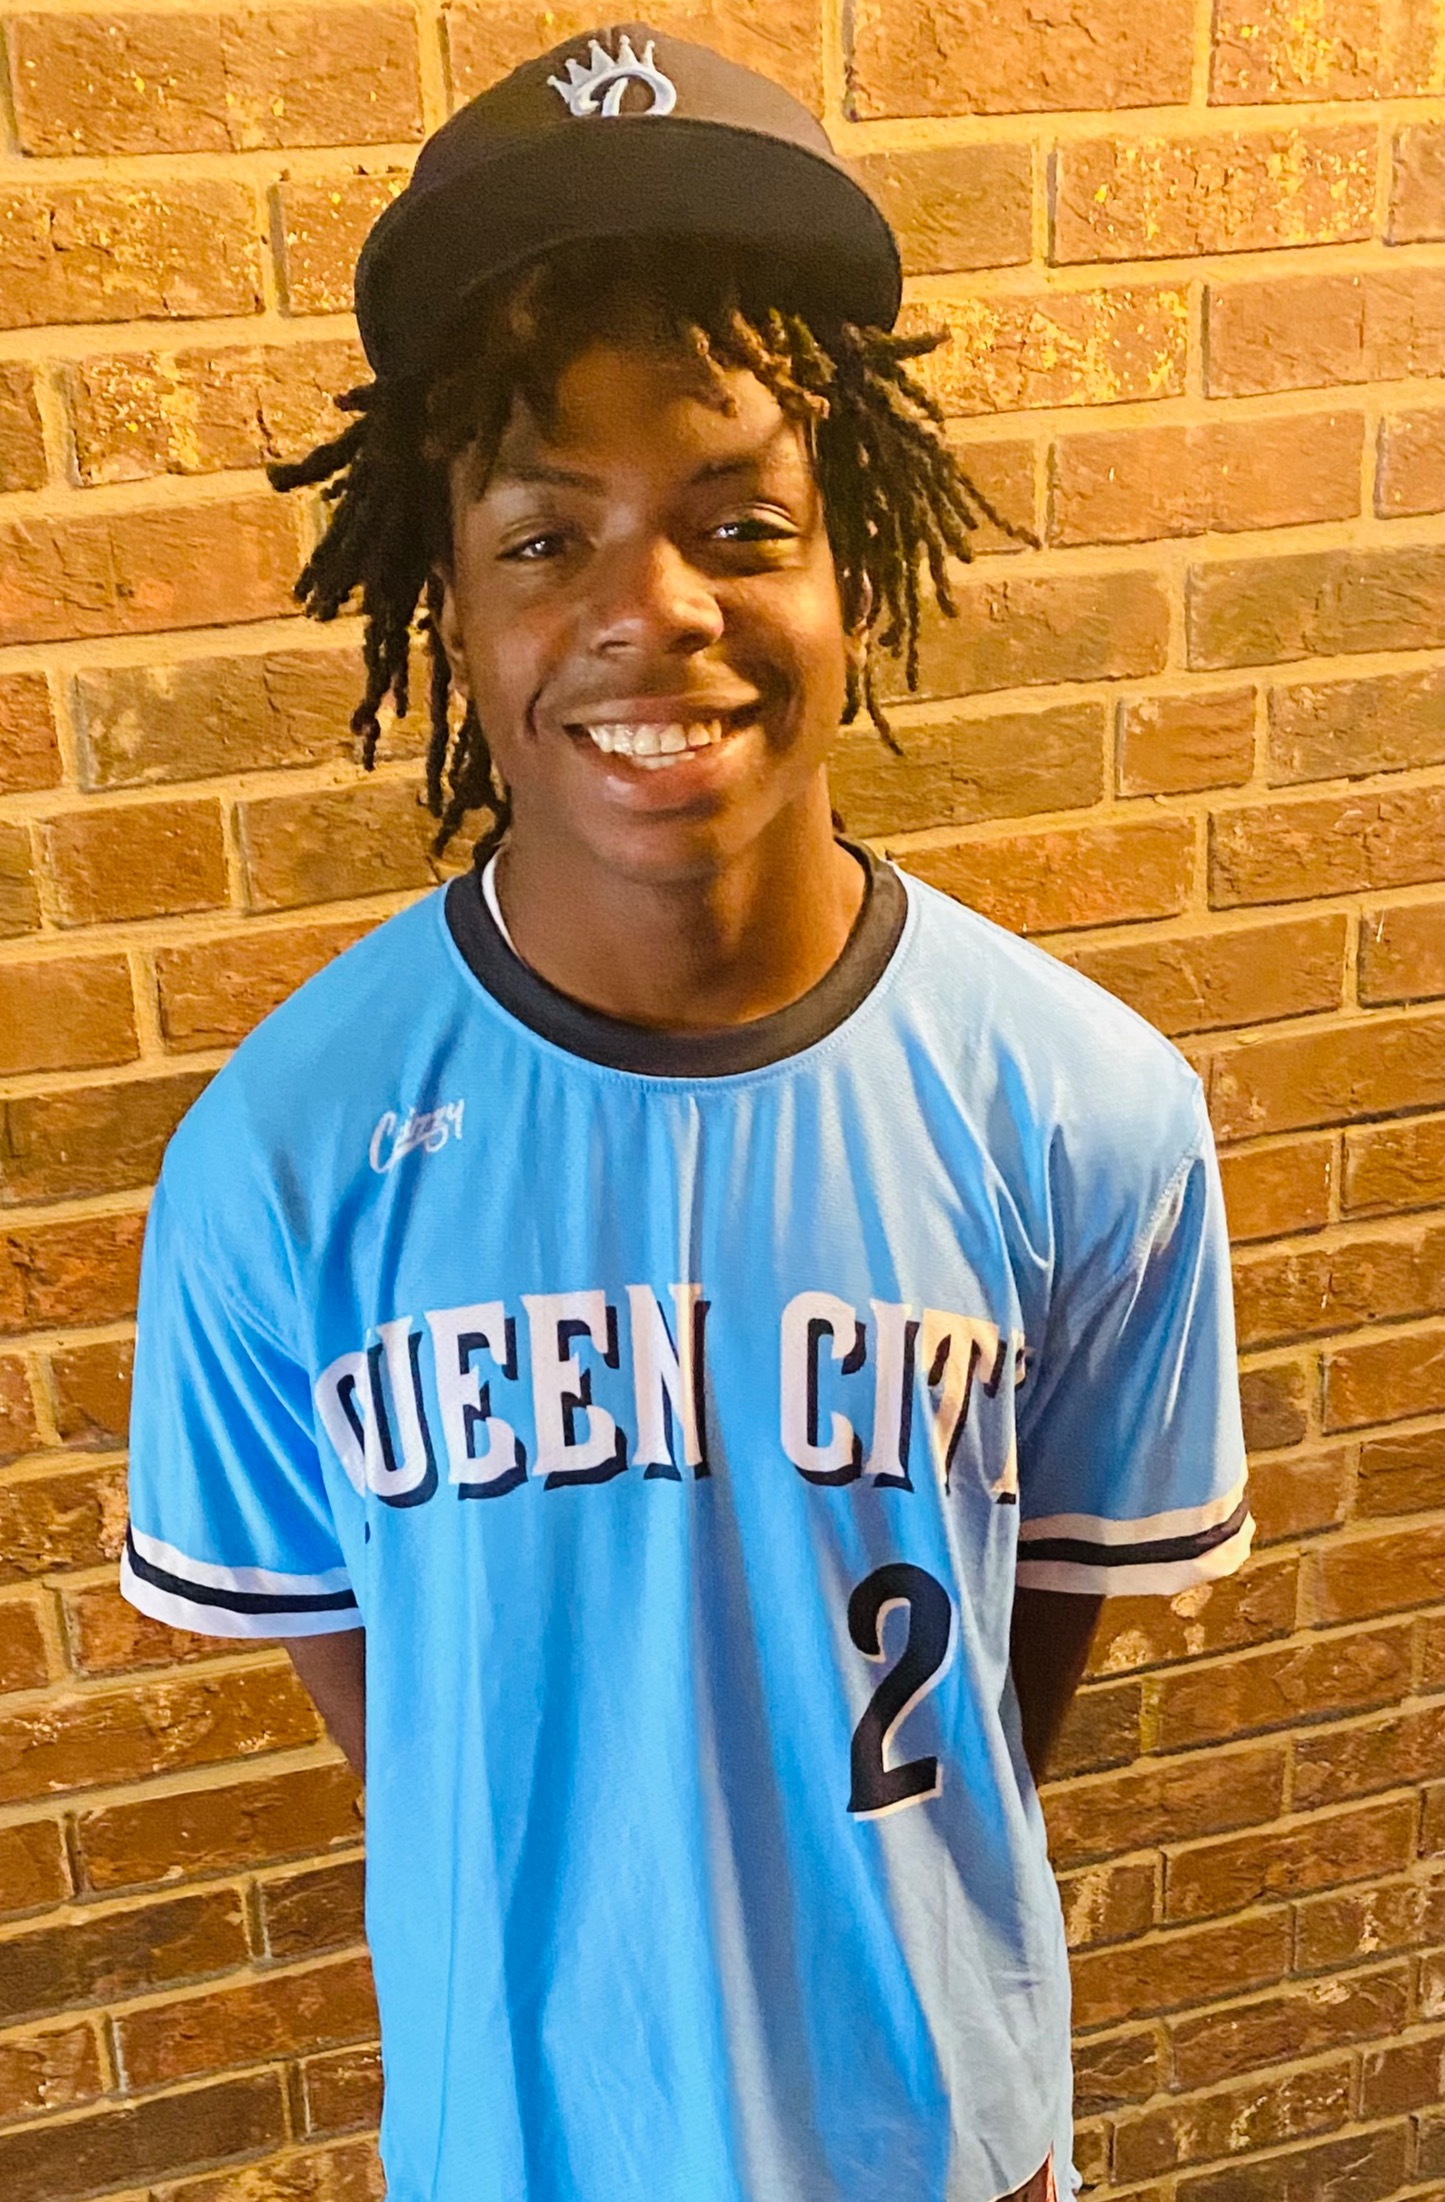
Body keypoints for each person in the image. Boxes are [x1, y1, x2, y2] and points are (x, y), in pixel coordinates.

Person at [121, 25, 1252, 2202]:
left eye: (741, 523)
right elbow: (405, 1712)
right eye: (548, 535)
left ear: (859, 572)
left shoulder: (1085, 1111)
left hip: (947, 2156)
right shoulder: (278, 1162)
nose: (653, 610)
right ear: (450, 600)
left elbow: (1008, 1694)